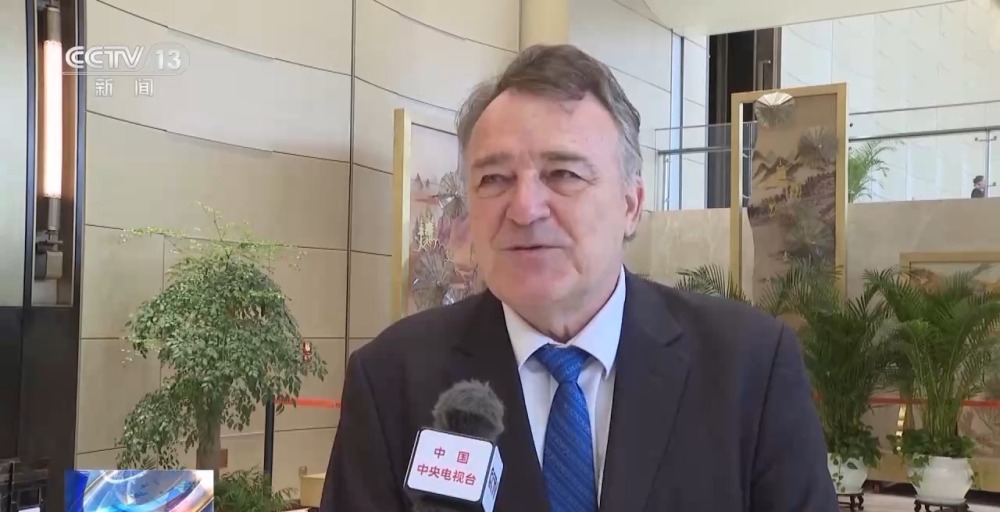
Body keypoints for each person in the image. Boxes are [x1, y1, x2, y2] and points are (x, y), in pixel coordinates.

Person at [320, 44, 837, 512]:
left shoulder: (749, 367)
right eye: (494, 178)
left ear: (631, 204)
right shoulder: (391, 379)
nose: (524, 208)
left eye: (563, 174)